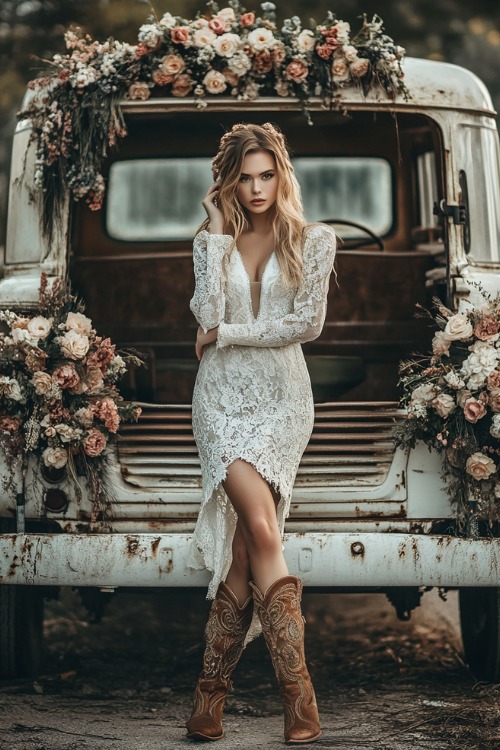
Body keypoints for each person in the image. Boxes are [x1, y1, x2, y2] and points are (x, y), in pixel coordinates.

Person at [186, 122, 337, 744]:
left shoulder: (314, 239)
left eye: (266, 175)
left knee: (251, 545)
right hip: (220, 401)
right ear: (228, 182)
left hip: (282, 401)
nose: (256, 189)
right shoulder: (209, 240)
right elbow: (205, 314)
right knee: (264, 526)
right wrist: (217, 236)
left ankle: (208, 699)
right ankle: (299, 702)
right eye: (244, 178)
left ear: (283, 175)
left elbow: (306, 325)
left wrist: (226, 337)